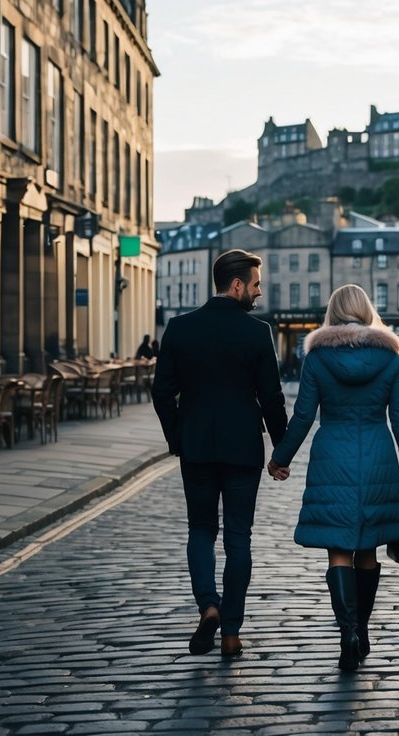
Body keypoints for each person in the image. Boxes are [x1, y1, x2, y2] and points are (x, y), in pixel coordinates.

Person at [267, 283, 399, 673]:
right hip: (377, 454)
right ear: (367, 311)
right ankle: (363, 630)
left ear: (332, 313)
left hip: (332, 453)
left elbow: (302, 415)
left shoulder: (317, 358)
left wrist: (280, 457)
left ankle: (347, 631)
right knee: (366, 548)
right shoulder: (390, 358)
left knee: (338, 546)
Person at [151, 249, 289, 659]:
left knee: (200, 531)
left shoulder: (178, 328)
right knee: (239, 538)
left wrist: (178, 438)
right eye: (256, 284)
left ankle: (208, 605)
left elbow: (161, 393)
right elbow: (272, 399)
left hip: (196, 447)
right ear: (237, 285)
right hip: (243, 448)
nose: (259, 293)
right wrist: (281, 451)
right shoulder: (256, 333)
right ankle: (231, 631)